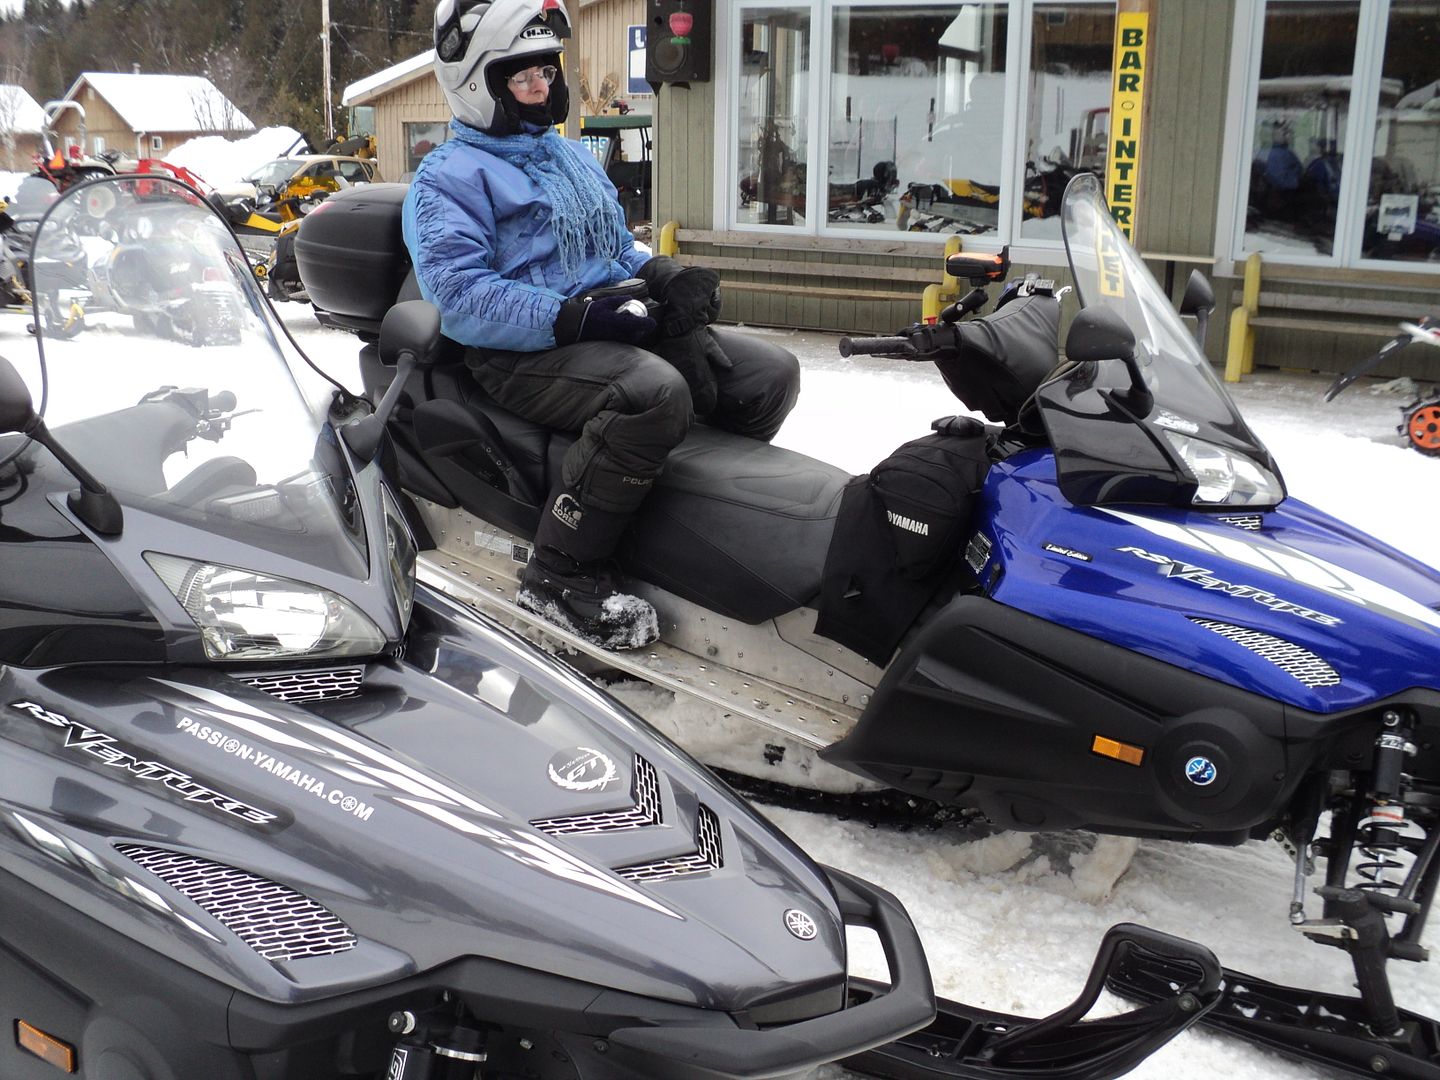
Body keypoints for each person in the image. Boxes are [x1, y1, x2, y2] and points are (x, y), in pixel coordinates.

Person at [404, 0, 800, 650]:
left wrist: (665, 277)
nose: (541, 88)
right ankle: (560, 569)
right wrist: (572, 316)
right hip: (517, 354)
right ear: (478, 86)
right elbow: (461, 297)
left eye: (547, 72)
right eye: (521, 77)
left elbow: (615, 250)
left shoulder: (572, 159)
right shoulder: (447, 179)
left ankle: (674, 517)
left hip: (603, 327)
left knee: (765, 375)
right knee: (654, 393)